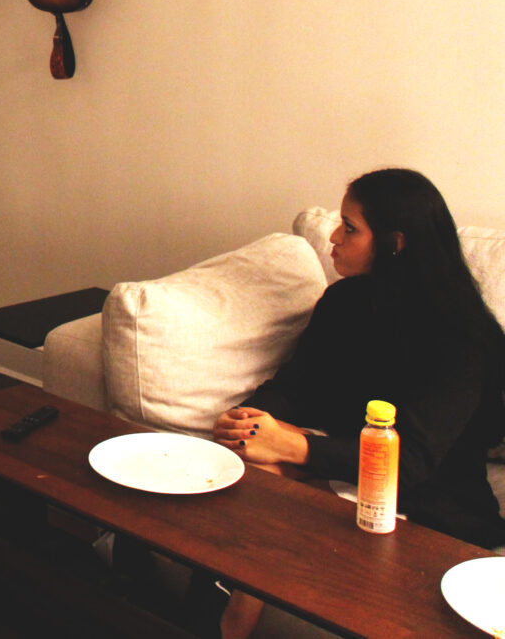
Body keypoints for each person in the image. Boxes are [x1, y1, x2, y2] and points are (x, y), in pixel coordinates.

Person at [210, 168, 505, 637]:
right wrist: (248, 417)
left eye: (350, 227)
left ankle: (228, 619)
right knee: (249, 470)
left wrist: (292, 448)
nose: (333, 237)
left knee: (271, 475)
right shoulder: (344, 301)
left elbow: (412, 460)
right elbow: (298, 384)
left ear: (395, 243)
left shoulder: (461, 337)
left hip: (431, 503)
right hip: (347, 469)